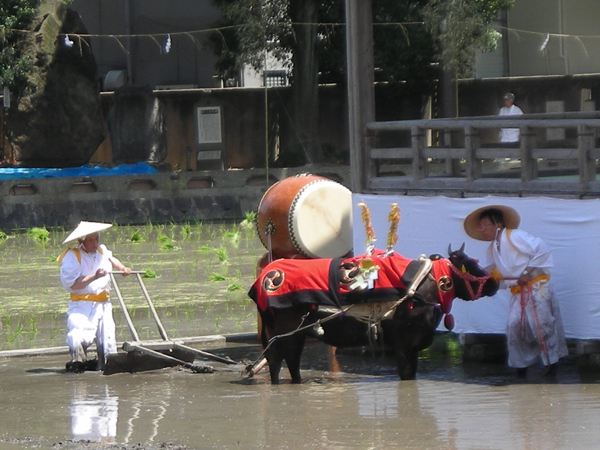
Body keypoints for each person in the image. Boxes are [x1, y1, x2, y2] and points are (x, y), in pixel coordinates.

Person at [463, 205, 568, 378]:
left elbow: (542, 250)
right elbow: (492, 272)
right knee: (514, 326)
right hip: (518, 291)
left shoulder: (515, 236)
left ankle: (551, 362)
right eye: (480, 226)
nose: (481, 229)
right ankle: (521, 365)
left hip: (536, 288)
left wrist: (527, 273)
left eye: (484, 225)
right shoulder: (492, 248)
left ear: (497, 224)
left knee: (541, 325)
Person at [58, 221, 131, 373]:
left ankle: (105, 364)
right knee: (78, 334)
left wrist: (123, 268)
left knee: (107, 336)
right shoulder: (73, 256)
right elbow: (73, 285)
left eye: (96, 239)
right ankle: (77, 363)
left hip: (103, 303)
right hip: (82, 304)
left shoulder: (101, 250)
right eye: (90, 240)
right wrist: (94, 276)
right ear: (81, 241)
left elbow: (112, 259)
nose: (94, 243)